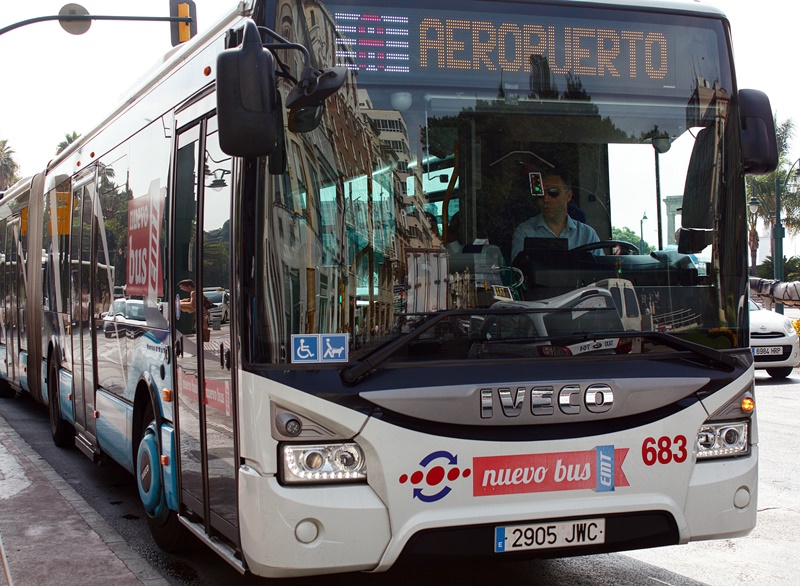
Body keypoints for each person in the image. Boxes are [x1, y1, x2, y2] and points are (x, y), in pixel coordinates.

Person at [510, 168, 600, 261]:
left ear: (568, 195)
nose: (546, 199)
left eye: (553, 193)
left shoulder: (587, 235)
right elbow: (518, 273)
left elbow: (601, 272)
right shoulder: (525, 232)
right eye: (540, 194)